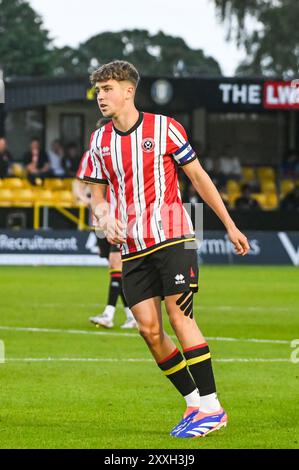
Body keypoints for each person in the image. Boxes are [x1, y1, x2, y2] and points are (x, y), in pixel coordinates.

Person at [85, 60, 250, 439]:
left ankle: (213, 408)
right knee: (147, 329)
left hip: (173, 236)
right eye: (98, 91)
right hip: (133, 247)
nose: (102, 97)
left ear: (129, 90)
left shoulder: (165, 128)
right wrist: (104, 215)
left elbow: (198, 177)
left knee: (179, 318)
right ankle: (195, 403)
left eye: (108, 89)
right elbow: (97, 192)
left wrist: (229, 224)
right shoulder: (99, 141)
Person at [76, 141, 137, 330]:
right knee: (115, 269)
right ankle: (131, 315)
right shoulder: (91, 155)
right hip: (100, 219)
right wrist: (85, 198)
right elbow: (79, 182)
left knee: (115, 263)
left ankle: (109, 313)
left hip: (119, 217)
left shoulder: (125, 152)